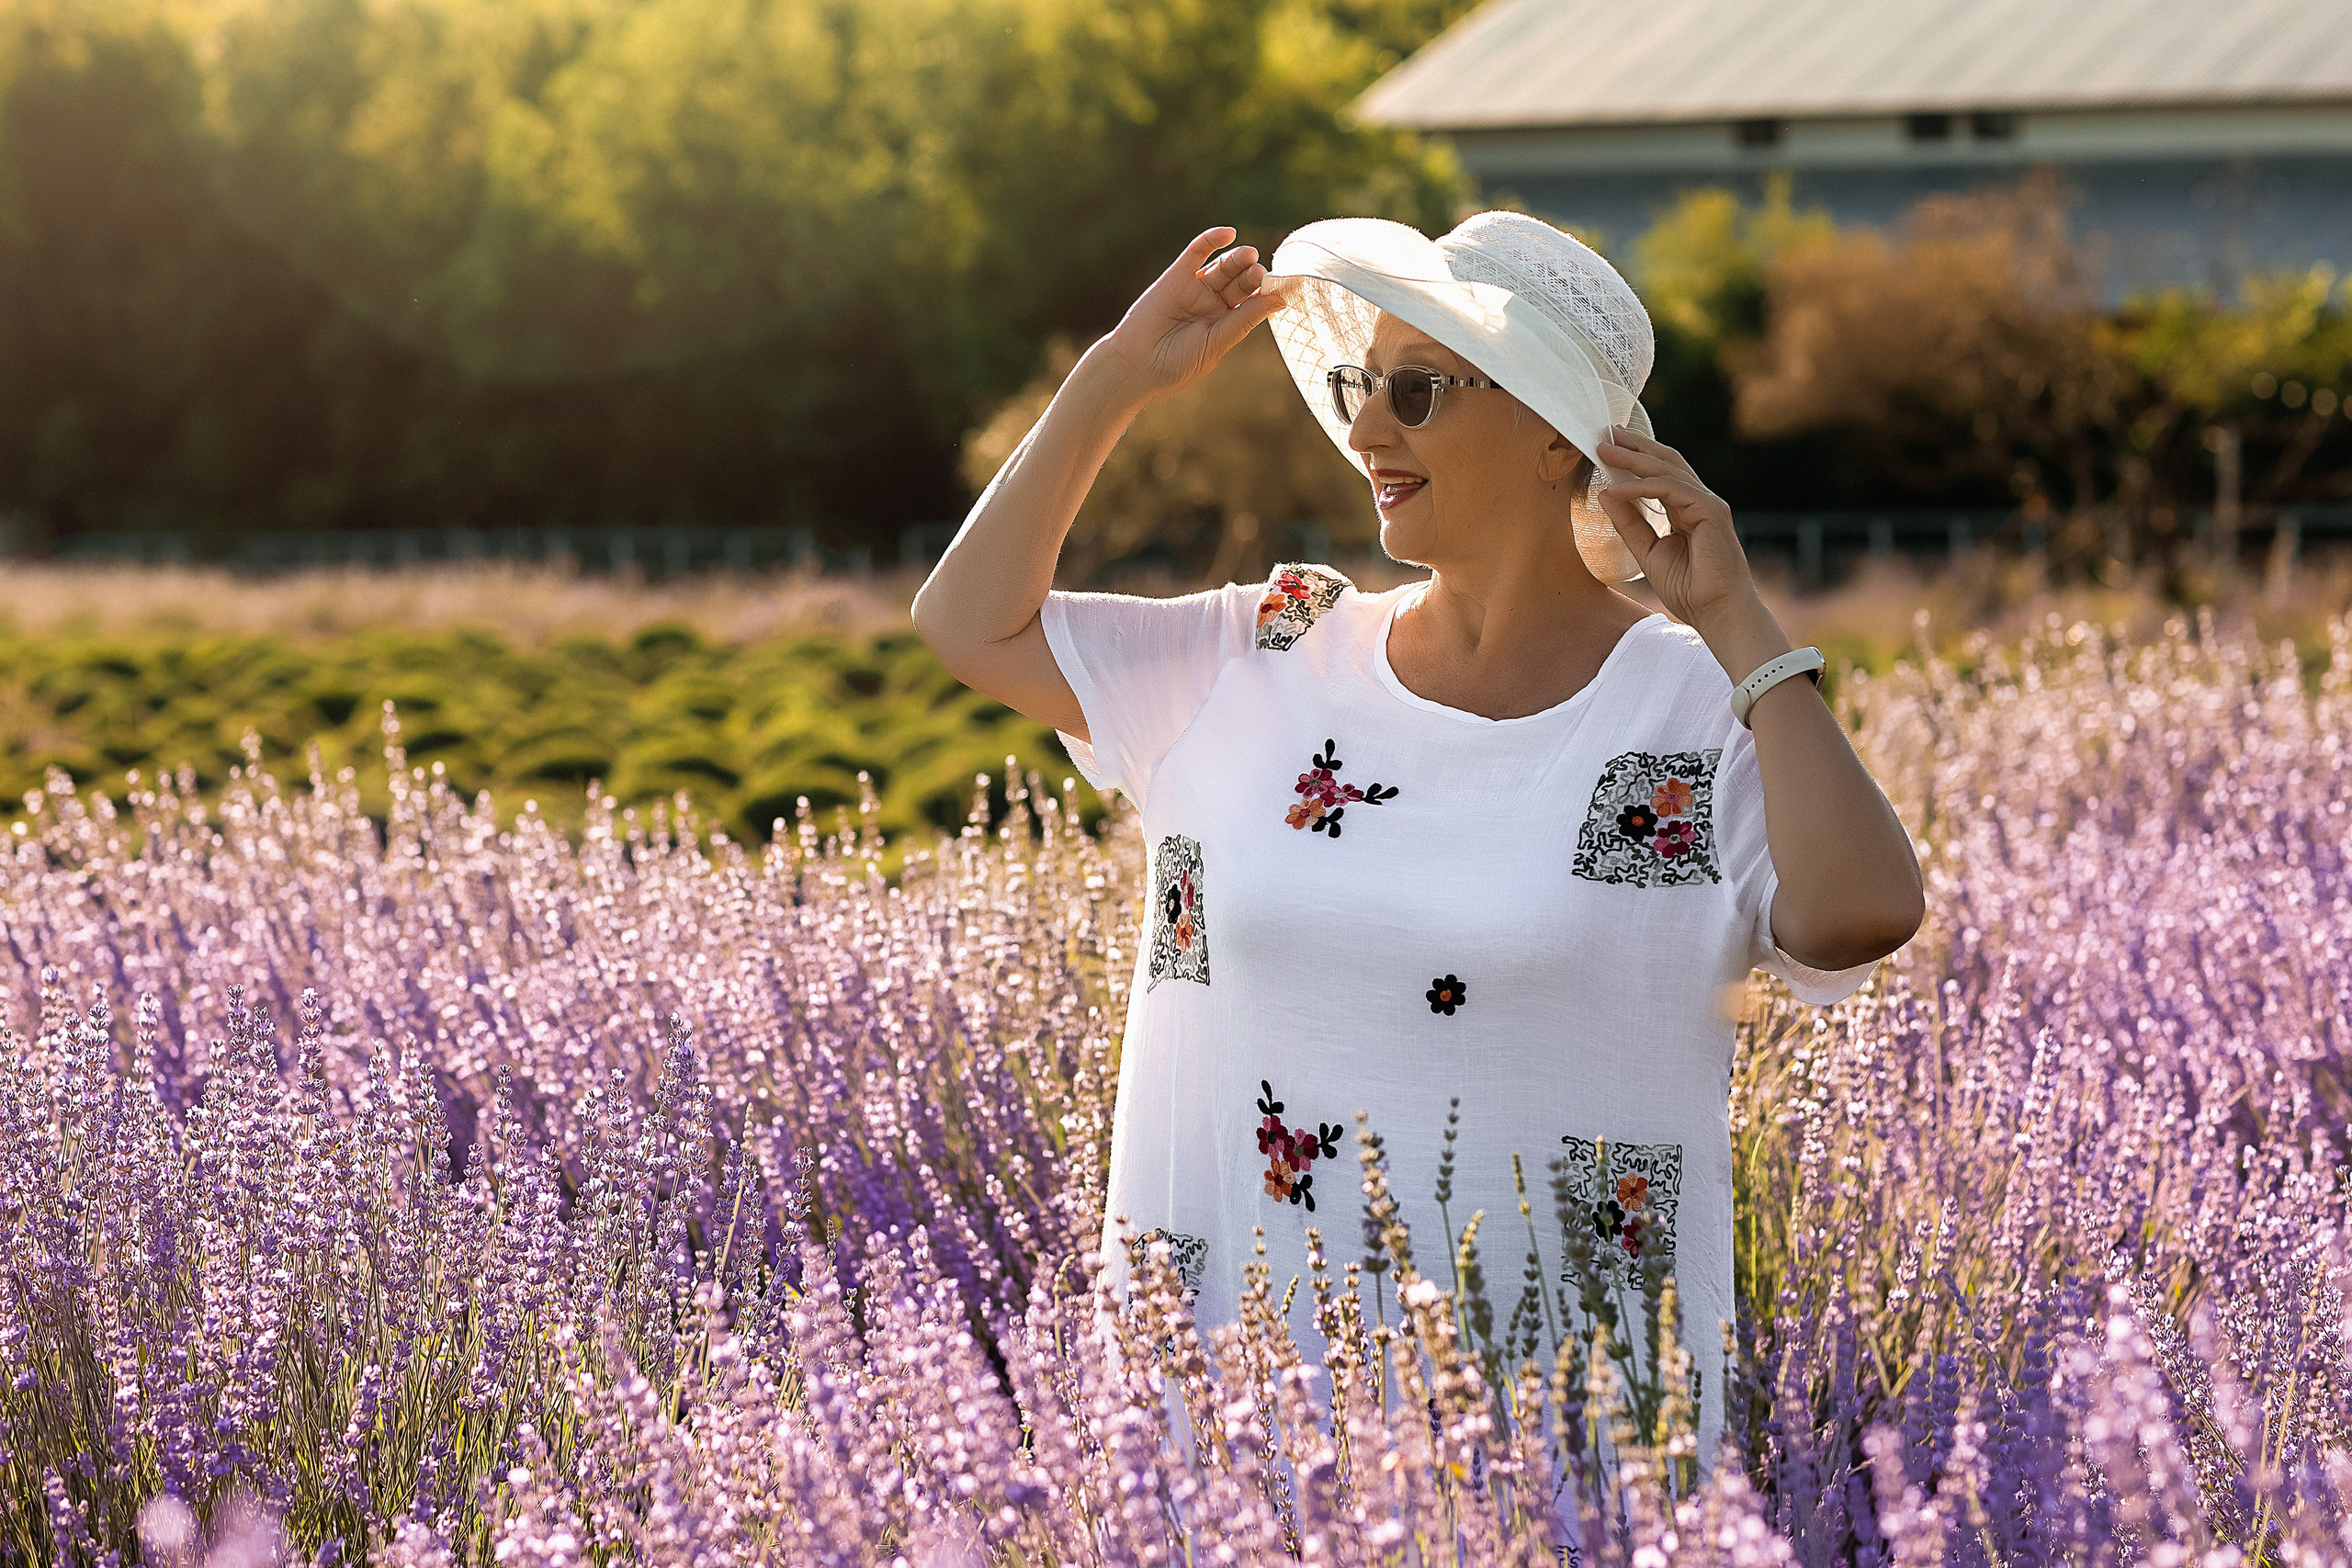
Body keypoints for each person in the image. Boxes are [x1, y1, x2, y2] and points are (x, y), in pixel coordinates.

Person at [910, 213, 1923, 1483]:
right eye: (1358, 386)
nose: (1365, 430)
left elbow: (1865, 910)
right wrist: (1117, 376)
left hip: (1564, 1449)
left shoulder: (1693, 711)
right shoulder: (1264, 650)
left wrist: (1739, 625)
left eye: (1414, 390)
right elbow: (967, 622)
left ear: (1557, 433)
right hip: (1238, 1435)